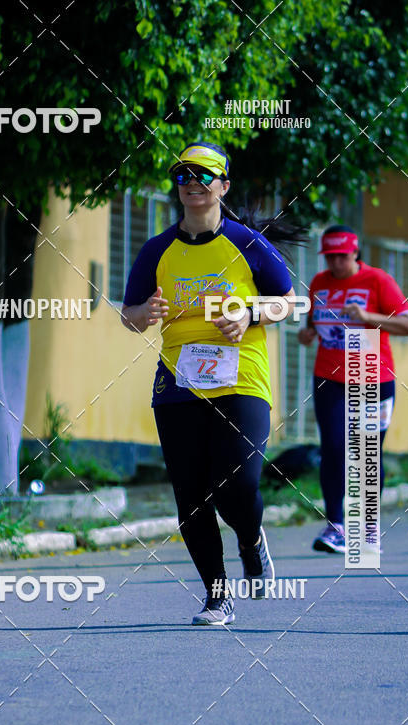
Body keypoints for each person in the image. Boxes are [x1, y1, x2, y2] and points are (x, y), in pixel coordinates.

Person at [121, 141, 301, 625]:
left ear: (223, 185)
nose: (193, 184)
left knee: (237, 485)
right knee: (191, 494)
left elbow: (290, 301)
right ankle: (217, 596)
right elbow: (130, 314)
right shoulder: (157, 249)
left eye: (204, 176)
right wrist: (145, 314)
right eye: (183, 176)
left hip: (242, 378)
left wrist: (250, 312)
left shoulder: (247, 244)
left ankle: (251, 540)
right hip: (179, 383)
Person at [298, 225, 408, 553]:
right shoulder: (319, 284)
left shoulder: (377, 280)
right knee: (333, 448)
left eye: (342, 256)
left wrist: (368, 316)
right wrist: (306, 336)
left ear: (355, 253)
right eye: (330, 257)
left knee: (366, 454)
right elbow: (313, 327)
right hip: (329, 376)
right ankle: (336, 525)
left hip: (372, 376)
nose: (336, 263)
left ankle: (368, 527)